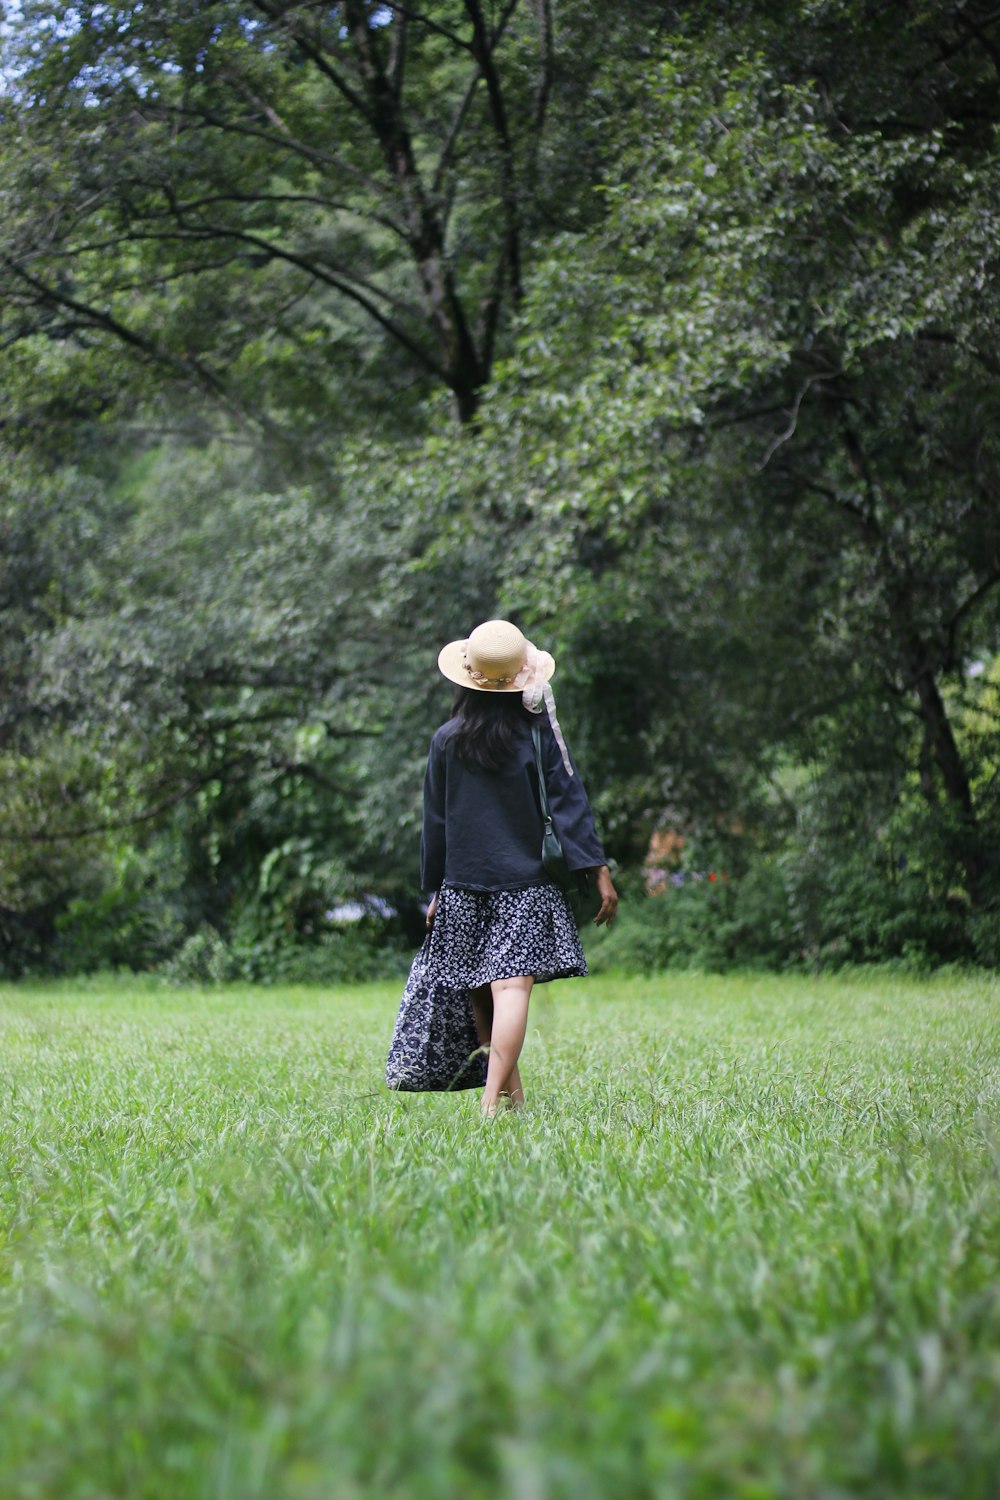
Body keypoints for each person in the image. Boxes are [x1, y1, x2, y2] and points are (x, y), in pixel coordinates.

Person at [420, 618, 618, 1117]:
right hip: (524, 883)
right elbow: (569, 802)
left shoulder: (446, 740)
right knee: (510, 989)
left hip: (463, 884)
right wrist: (597, 871)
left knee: (484, 994)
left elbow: (435, 822)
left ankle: (508, 1103)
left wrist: (435, 890)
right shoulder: (533, 735)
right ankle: (496, 1102)